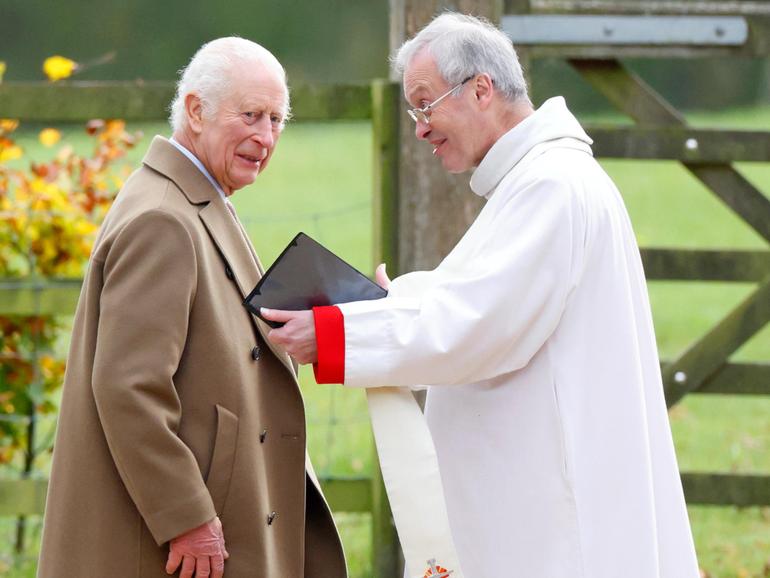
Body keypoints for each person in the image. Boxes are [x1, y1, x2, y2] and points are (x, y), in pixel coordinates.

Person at [262, 13, 700, 578]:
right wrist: (390, 302)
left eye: (424, 105)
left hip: (557, 523)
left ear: (481, 88)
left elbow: (479, 323)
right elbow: (483, 294)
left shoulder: (552, 186)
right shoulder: (536, 181)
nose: (418, 128)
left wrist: (334, 333)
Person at [37, 37, 347, 578]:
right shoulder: (165, 219)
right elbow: (128, 385)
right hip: (172, 550)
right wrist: (184, 517)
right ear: (196, 111)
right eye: (250, 115)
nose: (266, 136)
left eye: (277, 119)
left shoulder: (194, 199)